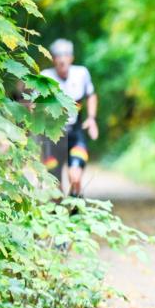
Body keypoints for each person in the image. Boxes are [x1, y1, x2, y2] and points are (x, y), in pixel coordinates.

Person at [39, 39, 98, 198]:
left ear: (71, 58)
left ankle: (75, 207)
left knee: (75, 176)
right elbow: (34, 106)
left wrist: (92, 118)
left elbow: (90, 95)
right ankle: (58, 216)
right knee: (55, 181)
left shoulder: (81, 73)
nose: (62, 60)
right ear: (53, 59)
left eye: (66, 56)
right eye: (58, 56)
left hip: (75, 132)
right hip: (53, 136)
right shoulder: (45, 78)